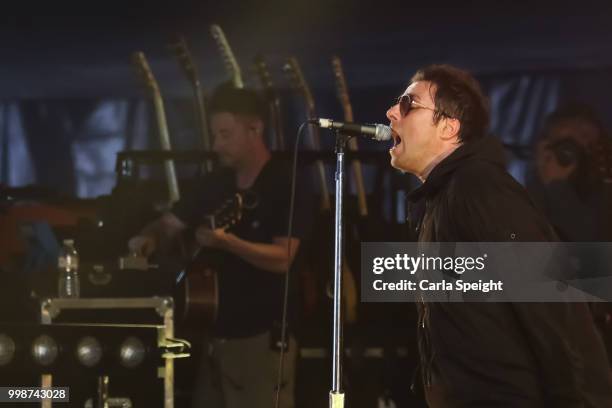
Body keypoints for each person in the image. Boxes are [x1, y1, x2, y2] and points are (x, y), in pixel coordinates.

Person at [386, 64, 612, 407]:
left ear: (448, 126)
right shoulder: (441, 200)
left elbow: (552, 306)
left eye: (408, 104)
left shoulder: (478, 188)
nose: (391, 112)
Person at [128, 83, 312, 408]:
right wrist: (149, 237)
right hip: (212, 336)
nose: (217, 145)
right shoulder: (215, 183)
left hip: (262, 338)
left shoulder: (286, 182)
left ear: (254, 128)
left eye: (225, 134)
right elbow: (170, 223)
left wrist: (228, 243)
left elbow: (283, 257)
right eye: (215, 135)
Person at [529, 104, 608, 241]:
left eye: (589, 141)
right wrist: (542, 177)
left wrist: (556, 185)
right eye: (567, 144)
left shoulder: (603, 192)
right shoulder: (529, 189)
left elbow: (589, 242)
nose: (582, 145)